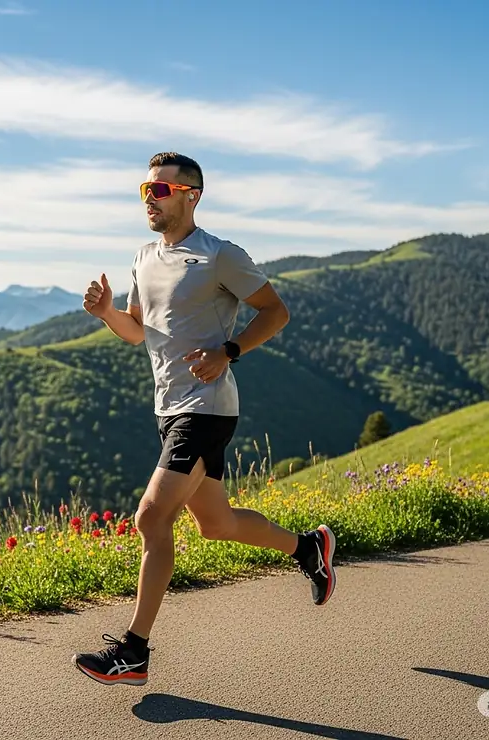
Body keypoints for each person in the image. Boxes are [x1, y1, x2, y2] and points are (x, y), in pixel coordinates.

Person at [72, 152, 336, 686]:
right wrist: (105, 315)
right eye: (144, 189)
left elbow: (275, 312)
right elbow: (137, 331)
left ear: (191, 196)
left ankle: (134, 650)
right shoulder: (144, 257)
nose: (150, 198)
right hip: (167, 407)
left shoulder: (220, 255)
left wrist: (229, 351)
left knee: (151, 518)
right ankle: (308, 546)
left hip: (207, 406)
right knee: (217, 524)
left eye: (161, 191)